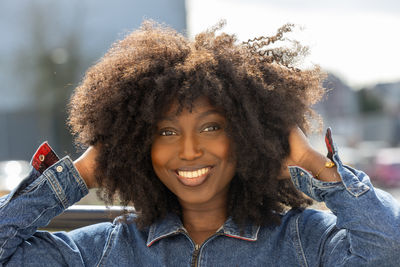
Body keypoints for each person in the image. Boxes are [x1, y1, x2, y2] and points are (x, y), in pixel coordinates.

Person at [1, 20, 399, 266]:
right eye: (166, 131)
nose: (189, 150)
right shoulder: (102, 251)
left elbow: (387, 249)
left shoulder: (305, 241)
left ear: (249, 135)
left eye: (211, 127)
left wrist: (313, 163)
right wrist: (82, 173)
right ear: (138, 144)